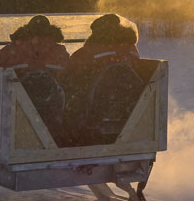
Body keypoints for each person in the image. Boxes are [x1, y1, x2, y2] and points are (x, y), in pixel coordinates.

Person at [58, 13, 143, 145]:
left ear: (97, 33)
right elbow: (138, 70)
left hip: (94, 112)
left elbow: (68, 75)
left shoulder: (90, 51)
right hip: (131, 110)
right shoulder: (132, 50)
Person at [0, 15, 69, 137]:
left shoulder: (10, 51)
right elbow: (69, 77)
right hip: (50, 113)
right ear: (51, 32)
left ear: (26, 30)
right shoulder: (60, 53)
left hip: (15, 113)